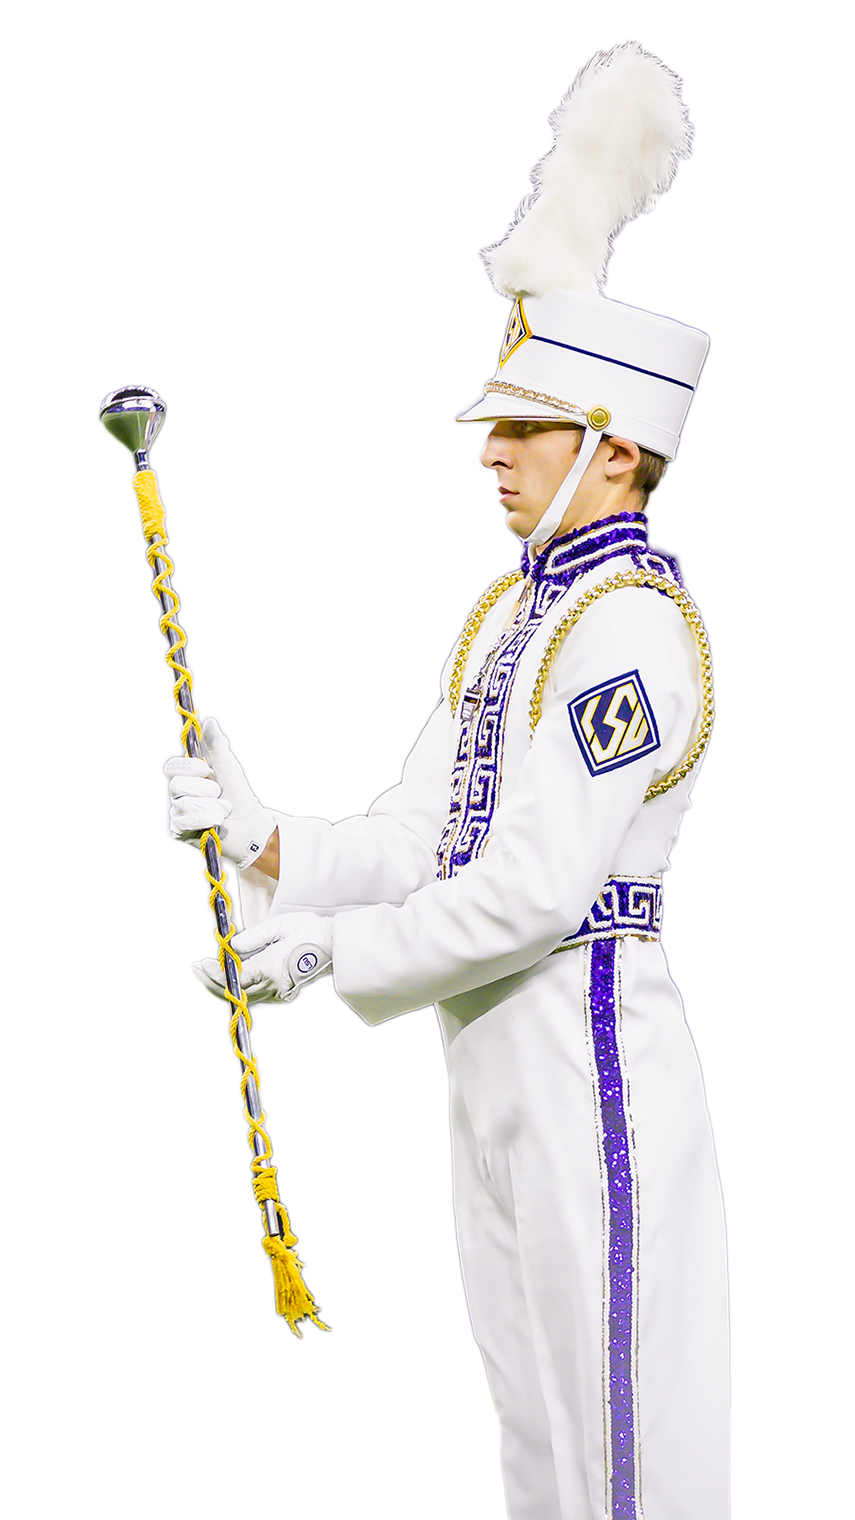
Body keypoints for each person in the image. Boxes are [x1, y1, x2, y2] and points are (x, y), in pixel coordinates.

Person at [166, 45, 729, 1520]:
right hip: (493, 1058)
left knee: (620, 1429)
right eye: (496, 428)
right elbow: (427, 830)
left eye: (524, 432)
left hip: (583, 1052)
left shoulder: (627, 626)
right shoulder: (511, 613)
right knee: (537, 1432)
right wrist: (265, 836)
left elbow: (538, 891)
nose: (492, 454)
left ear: (613, 454)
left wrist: (328, 959)